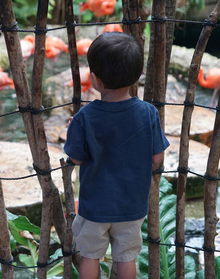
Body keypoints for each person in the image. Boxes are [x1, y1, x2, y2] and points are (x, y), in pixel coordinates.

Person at [64, 32, 170, 279]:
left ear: (94, 79)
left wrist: (73, 130)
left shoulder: (85, 117)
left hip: (94, 207)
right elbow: (157, 158)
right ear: (137, 76)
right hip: (132, 206)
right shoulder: (149, 113)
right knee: (126, 257)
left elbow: (76, 159)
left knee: (90, 255)